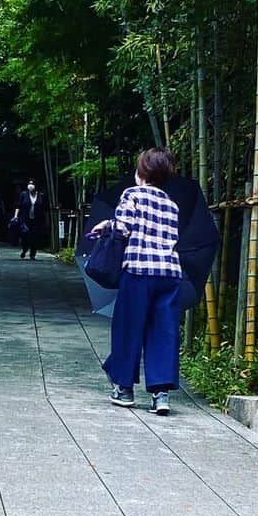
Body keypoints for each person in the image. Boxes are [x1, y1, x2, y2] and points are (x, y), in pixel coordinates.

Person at [93, 147, 181, 416]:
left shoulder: (132, 195)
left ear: (141, 173)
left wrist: (105, 226)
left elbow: (123, 228)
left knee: (128, 328)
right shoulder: (172, 204)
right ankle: (160, 394)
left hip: (138, 271)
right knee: (163, 331)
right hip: (169, 274)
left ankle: (124, 388)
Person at [11, 179, 47, 260]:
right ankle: (24, 249)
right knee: (25, 235)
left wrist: (46, 221)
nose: (30, 186)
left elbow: (45, 209)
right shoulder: (23, 194)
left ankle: (32, 254)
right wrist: (15, 216)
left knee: (35, 237)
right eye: (29, 184)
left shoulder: (41, 195)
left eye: (32, 184)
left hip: (37, 220)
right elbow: (18, 206)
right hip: (25, 219)